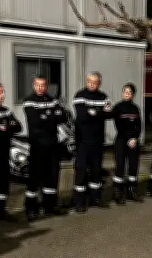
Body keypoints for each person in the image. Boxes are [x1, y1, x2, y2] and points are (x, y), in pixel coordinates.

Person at [22, 75, 68, 220]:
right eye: (38, 85)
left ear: (46, 86)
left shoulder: (52, 99)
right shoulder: (29, 101)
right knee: (35, 177)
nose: (40, 87)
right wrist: (52, 115)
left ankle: (50, 206)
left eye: (43, 85)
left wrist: (46, 116)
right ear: (33, 85)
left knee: (52, 176)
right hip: (38, 145)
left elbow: (63, 116)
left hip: (53, 145)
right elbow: (35, 121)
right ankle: (30, 208)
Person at [72, 72, 112, 212]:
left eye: (95, 82)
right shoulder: (79, 96)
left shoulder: (103, 96)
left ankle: (96, 198)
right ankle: (79, 202)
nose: (92, 84)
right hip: (83, 141)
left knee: (96, 170)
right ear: (86, 81)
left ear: (99, 83)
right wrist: (98, 113)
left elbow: (110, 114)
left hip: (98, 141)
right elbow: (82, 116)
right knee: (81, 171)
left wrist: (94, 112)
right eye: (89, 81)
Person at [0, 82, 23, 221]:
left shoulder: (6, 111)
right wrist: (3, 128)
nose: (3, 95)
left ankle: (0, 212)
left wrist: (1, 128)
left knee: (3, 184)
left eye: (3, 92)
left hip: (3, 154)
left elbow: (18, 126)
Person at [111, 83, 144, 204]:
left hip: (133, 142)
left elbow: (139, 126)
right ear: (122, 93)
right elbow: (116, 124)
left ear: (133, 95)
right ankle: (117, 193)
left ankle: (132, 192)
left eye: (129, 92)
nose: (127, 94)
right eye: (125, 91)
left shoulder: (135, 108)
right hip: (121, 140)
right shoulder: (117, 107)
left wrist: (135, 138)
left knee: (133, 167)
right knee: (120, 167)